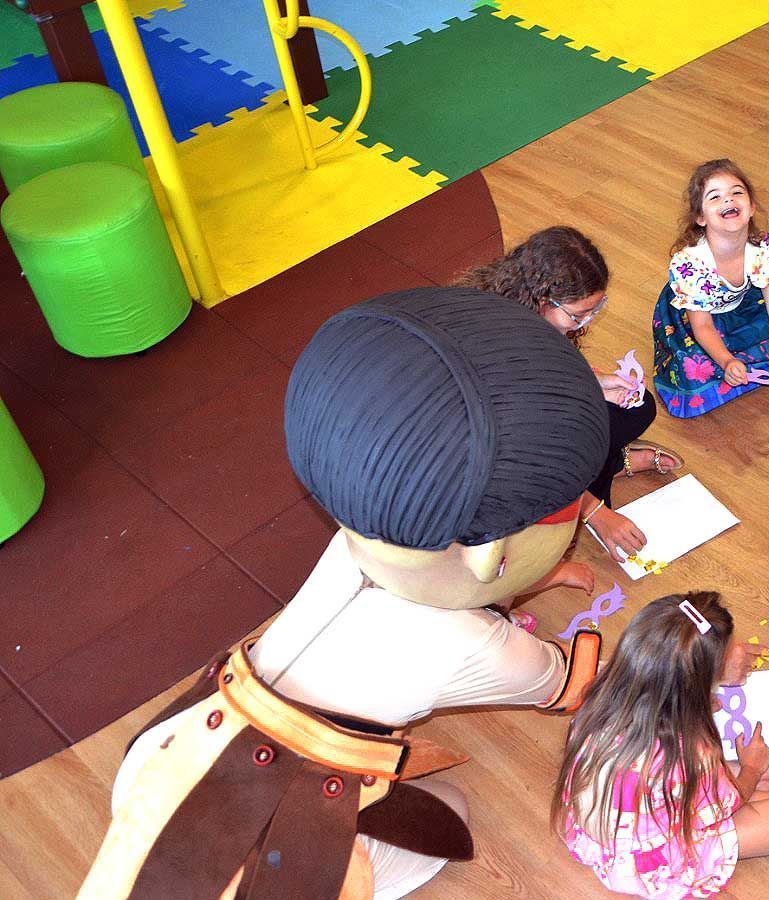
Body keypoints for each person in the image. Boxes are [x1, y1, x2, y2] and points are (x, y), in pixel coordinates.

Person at [78, 287, 613, 899]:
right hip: (268, 861)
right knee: (452, 809)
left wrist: (535, 576)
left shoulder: (358, 539)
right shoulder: (479, 647)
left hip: (168, 754)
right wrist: (590, 635)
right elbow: (564, 687)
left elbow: (450, 582)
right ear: (493, 553)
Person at [557, 592, 769, 897]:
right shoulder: (692, 753)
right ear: (694, 687)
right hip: (642, 858)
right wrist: (750, 769)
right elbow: (729, 803)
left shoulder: (598, 700)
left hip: (603, 824)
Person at [460, 225, 683, 561]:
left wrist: (597, 383)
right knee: (586, 441)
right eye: (579, 315)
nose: (585, 322)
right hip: (492, 462)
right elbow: (537, 455)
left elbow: (556, 375)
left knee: (637, 408)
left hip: (528, 422)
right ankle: (597, 487)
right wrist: (597, 514)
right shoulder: (508, 351)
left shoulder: (530, 318)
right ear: (540, 298)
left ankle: (610, 468)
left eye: (595, 309)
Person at [653, 159, 769, 418]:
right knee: (692, 370)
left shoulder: (763, 247)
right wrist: (726, 361)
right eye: (715, 196)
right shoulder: (690, 264)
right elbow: (702, 327)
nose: (728, 200)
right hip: (696, 317)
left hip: (740, 304)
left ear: (751, 207)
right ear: (701, 217)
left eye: (736, 192)